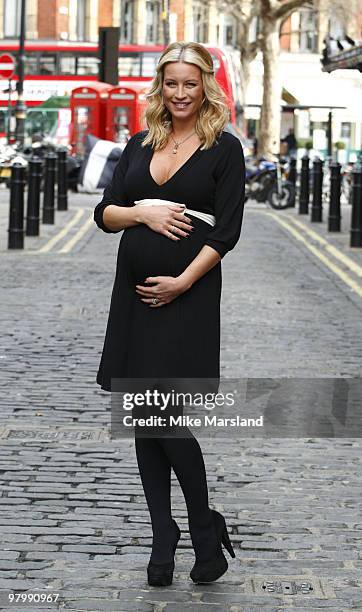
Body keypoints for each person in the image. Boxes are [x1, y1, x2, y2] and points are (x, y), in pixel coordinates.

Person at [93, 41, 245, 586]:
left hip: (189, 297)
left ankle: (201, 529)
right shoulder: (139, 142)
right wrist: (142, 213)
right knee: (143, 416)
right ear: (161, 87)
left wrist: (182, 281)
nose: (181, 93)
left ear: (206, 86)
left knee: (166, 418)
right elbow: (103, 214)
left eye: (191, 83)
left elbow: (226, 231)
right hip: (133, 298)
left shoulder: (223, 149)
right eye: (172, 83)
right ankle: (165, 535)